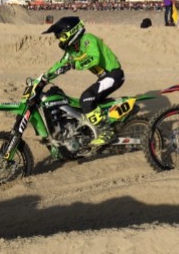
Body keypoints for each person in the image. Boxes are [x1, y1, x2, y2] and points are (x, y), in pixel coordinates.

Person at [43, 16, 125, 153]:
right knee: (83, 105)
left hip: (114, 75)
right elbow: (61, 64)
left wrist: (75, 64)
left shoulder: (88, 39)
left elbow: (94, 58)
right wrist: (45, 77)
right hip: (103, 78)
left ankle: (106, 131)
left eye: (61, 36)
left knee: (86, 98)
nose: (59, 39)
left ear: (72, 32)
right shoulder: (72, 51)